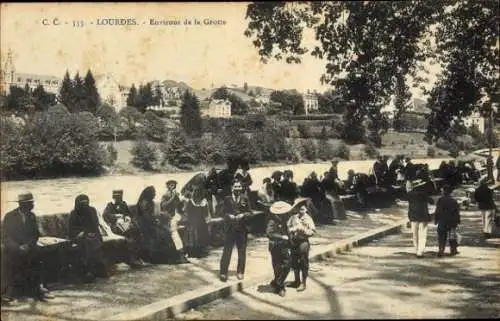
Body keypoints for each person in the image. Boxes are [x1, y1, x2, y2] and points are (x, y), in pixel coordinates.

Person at [1, 193, 52, 302]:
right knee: (8, 258)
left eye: (32, 203)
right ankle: (9, 291)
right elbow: (5, 237)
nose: (33, 205)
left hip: (28, 247)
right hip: (14, 248)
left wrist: (28, 245)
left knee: (39, 254)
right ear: (23, 204)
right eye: (31, 203)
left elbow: (35, 235)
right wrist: (18, 247)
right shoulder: (9, 216)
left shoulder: (32, 216)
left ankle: (39, 288)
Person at [69, 194, 108, 282]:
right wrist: (83, 233)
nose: (84, 206)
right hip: (78, 236)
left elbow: (95, 224)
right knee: (87, 242)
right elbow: (71, 229)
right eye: (82, 204)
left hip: (92, 233)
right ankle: (88, 270)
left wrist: (90, 232)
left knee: (94, 241)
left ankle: (96, 269)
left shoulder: (92, 210)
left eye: (86, 203)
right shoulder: (74, 213)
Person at [102, 190, 145, 267]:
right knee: (130, 234)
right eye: (116, 197)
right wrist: (116, 216)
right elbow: (105, 215)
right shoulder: (110, 205)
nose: (118, 199)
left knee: (136, 232)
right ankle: (131, 258)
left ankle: (136, 257)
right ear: (114, 198)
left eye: (119, 197)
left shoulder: (123, 204)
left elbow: (130, 215)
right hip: (115, 226)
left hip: (124, 224)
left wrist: (127, 217)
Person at [219, 179, 252, 282]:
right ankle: (223, 272)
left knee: (241, 251)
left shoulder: (245, 198)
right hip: (230, 229)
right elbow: (222, 213)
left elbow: (250, 213)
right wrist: (229, 216)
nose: (237, 188)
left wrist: (243, 215)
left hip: (242, 230)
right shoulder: (227, 199)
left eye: (239, 187)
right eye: (235, 186)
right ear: (231, 188)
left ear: (241, 188)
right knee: (227, 251)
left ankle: (240, 272)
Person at [287, 198, 315, 292]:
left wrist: (303, 230)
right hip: (294, 241)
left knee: (303, 262)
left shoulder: (308, 219)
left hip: (303, 242)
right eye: (299, 209)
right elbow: (288, 227)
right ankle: (296, 280)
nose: (301, 211)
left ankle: (303, 282)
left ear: (306, 209)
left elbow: (312, 232)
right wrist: (291, 230)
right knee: (294, 261)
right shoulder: (293, 217)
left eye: (303, 209)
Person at [266, 201, 293, 297]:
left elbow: (288, 232)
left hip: (284, 246)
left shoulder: (285, 220)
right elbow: (269, 233)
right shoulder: (272, 221)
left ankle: (277, 282)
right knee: (277, 266)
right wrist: (281, 237)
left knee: (288, 264)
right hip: (275, 246)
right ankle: (280, 286)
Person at [160, 180, 189, 264]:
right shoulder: (165, 196)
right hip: (166, 218)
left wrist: (183, 200)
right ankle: (181, 254)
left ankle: (184, 252)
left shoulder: (176, 196)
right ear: (167, 186)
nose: (172, 187)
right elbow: (163, 206)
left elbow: (179, 208)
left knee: (185, 226)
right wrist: (173, 197)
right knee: (174, 232)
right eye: (170, 185)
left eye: (173, 185)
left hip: (174, 217)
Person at [406, 180, 434, 258]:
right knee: (422, 234)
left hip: (413, 216)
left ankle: (416, 249)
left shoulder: (410, 194)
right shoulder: (424, 194)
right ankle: (420, 251)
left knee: (415, 234)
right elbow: (431, 201)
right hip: (423, 216)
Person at [434, 185, 461, 257]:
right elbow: (456, 212)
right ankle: (453, 250)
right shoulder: (454, 201)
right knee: (452, 236)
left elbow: (438, 211)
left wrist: (436, 220)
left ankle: (441, 250)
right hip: (451, 221)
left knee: (441, 236)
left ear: (444, 192)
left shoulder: (440, 200)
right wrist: (458, 221)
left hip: (442, 220)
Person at [184, 186, 211, 258]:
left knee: (195, 233)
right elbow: (205, 213)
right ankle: (199, 251)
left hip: (194, 221)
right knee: (199, 233)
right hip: (199, 222)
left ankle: (194, 252)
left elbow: (188, 212)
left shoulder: (191, 201)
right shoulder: (203, 202)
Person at [136, 186, 158, 261]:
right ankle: (148, 256)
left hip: (148, 223)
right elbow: (145, 216)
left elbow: (151, 216)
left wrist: (155, 220)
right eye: (154, 193)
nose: (155, 194)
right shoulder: (144, 202)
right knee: (155, 234)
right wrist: (153, 221)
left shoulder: (151, 202)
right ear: (149, 194)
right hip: (142, 224)